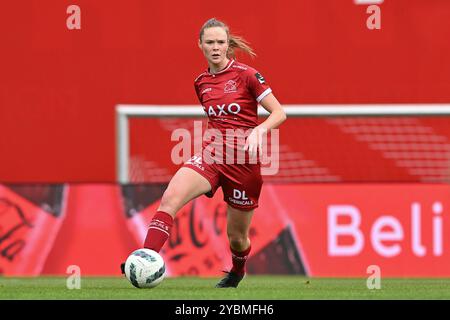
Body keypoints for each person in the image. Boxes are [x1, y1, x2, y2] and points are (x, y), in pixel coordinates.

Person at [122, 18, 286, 288]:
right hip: (212, 156)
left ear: (227, 44)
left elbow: (279, 112)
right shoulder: (201, 82)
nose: (215, 47)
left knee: (237, 238)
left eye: (220, 42)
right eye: (209, 42)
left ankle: (237, 271)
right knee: (170, 199)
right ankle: (146, 258)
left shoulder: (246, 75)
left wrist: (260, 130)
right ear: (200, 45)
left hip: (243, 164)